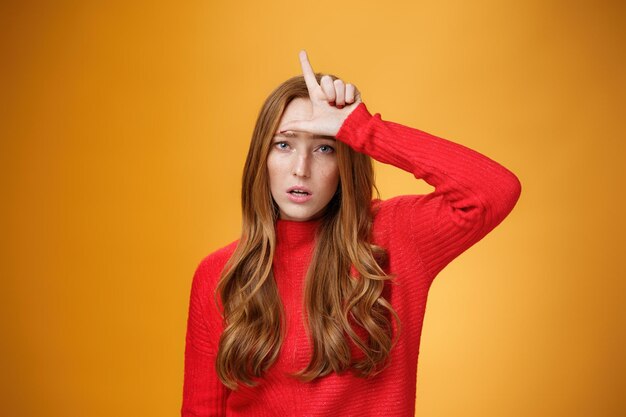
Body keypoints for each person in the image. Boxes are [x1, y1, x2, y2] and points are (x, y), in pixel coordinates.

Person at [182, 50, 521, 417]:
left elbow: (494, 190)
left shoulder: (393, 237)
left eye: (324, 148)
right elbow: (202, 410)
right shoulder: (219, 273)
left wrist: (361, 129)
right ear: (260, 158)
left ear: (345, 163)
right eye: (284, 144)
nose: (301, 168)